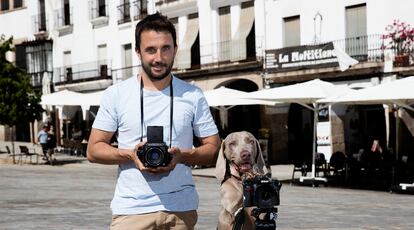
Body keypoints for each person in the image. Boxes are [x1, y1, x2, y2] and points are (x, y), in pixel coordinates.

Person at [87, 12, 221, 230]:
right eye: (151, 49)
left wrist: (182, 156)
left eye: (166, 48)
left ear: (175, 49)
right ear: (138, 52)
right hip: (131, 211)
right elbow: (93, 150)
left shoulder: (193, 95)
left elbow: (214, 148)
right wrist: (130, 154)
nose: (159, 57)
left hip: (181, 210)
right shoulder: (116, 94)